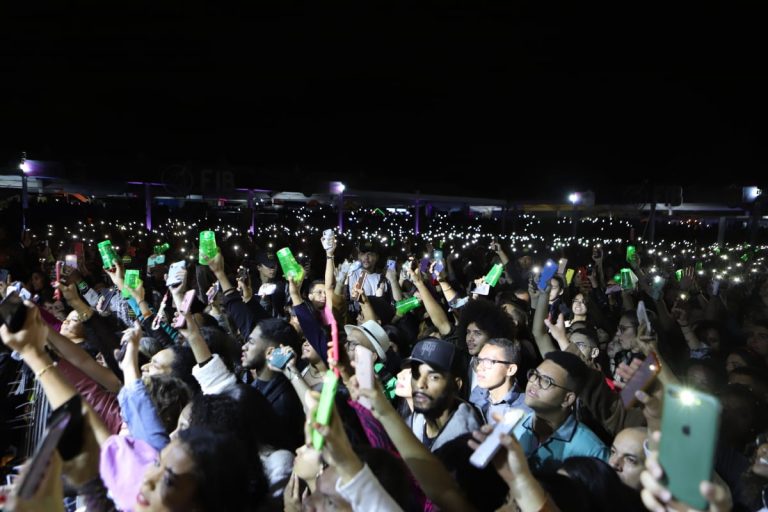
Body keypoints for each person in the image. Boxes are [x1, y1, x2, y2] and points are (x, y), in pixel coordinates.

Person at [512, 351, 609, 471]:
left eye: (546, 381)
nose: (535, 382)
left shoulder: (592, 450)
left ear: (567, 399)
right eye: (535, 374)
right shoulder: (515, 425)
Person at [403, 338, 482, 452]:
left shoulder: (467, 444)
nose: (420, 384)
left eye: (434, 377)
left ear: (456, 384)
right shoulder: (414, 422)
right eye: (416, 374)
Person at [469, 337, 531, 425]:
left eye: (488, 361)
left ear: (510, 370)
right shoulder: (478, 393)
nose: (479, 367)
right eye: (479, 361)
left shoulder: (526, 410)